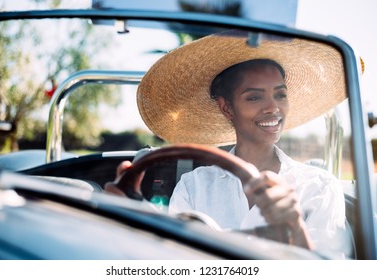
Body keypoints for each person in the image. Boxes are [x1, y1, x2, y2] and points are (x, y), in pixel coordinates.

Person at [106, 31, 352, 258]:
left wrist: (294, 228)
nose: (273, 108)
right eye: (254, 97)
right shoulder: (195, 185)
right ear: (227, 107)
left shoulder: (319, 187)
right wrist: (132, 210)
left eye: (280, 94)